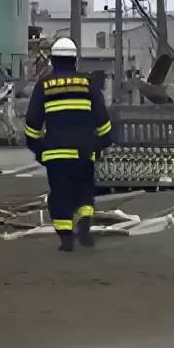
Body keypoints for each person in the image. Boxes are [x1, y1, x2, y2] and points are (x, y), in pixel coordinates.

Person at [23, 37, 112, 252]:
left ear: (53, 60)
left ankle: (66, 239)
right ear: (75, 60)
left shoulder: (43, 86)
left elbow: (33, 123)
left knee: (60, 194)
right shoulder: (88, 84)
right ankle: (84, 222)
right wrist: (99, 146)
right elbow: (103, 121)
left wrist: (39, 151)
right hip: (84, 152)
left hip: (56, 153)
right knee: (84, 191)